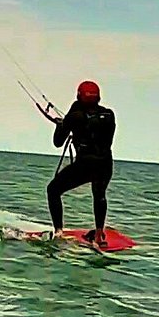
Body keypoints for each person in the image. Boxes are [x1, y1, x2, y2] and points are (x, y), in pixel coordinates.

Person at [44, 80, 115, 247]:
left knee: (53, 190)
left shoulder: (74, 116)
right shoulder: (109, 115)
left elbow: (58, 142)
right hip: (105, 164)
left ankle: (59, 232)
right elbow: (95, 130)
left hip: (86, 165)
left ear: (78, 96)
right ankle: (99, 235)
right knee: (99, 195)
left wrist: (62, 124)